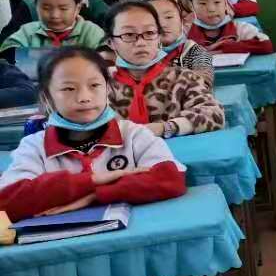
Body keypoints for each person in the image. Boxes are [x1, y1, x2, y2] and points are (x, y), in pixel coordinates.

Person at [0, 47, 189, 222]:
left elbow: (171, 178)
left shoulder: (133, 135)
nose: (84, 97)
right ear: (47, 96)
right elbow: (7, 201)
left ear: (108, 88)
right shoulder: (34, 147)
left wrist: (95, 195)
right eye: (68, 88)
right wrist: (92, 180)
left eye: (94, 85)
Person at [106, 2, 225, 137]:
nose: (141, 42)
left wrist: (167, 127)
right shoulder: (101, 83)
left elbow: (215, 115)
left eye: (149, 33)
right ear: (110, 42)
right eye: (128, 34)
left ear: (158, 37)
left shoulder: (182, 78)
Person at [0, 0, 106, 53]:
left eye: (63, 8)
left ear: (77, 9)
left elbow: (106, 59)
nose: (55, 15)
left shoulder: (91, 32)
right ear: (36, 7)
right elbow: (8, 53)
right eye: (46, 8)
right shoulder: (28, 32)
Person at [184, 0, 275, 55]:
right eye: (203, 3)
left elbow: (266, 45)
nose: (211, 9)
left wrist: (226, 47)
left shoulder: (239, 28)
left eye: (217, 2)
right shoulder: (186, 31)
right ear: (191, 6)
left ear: (226, 4)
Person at [147, 0, 213, 81]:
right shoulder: (138, 52)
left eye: (169, 17)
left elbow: (204, 78)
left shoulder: (194, 51)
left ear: (181, 21)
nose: (162, 24)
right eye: (153, 19)